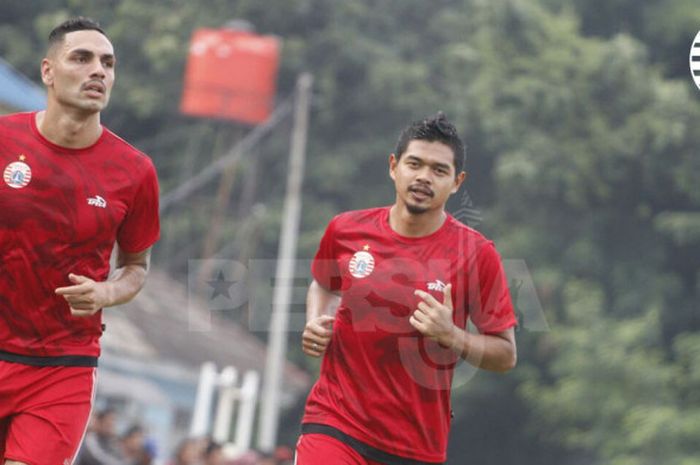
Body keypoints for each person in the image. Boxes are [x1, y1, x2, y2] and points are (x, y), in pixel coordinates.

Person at [297, 113, 517, 464]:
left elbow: (506, 355)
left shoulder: (477, 254)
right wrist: (316, 320)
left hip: (415, 445)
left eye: (439, 170)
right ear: (393, 166)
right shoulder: (345, 230)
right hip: (335, 422)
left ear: (457, 182)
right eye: (414, 164)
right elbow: (323, 285)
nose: (423, 177)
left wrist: (452, 335)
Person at [0, 16, 160, 465]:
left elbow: (136, 267)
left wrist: (106, 291)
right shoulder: (4, 140)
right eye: (82, 58)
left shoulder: (134, 171)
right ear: (48, 71)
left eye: (108, 63)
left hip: (61, 366)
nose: (99, 71)